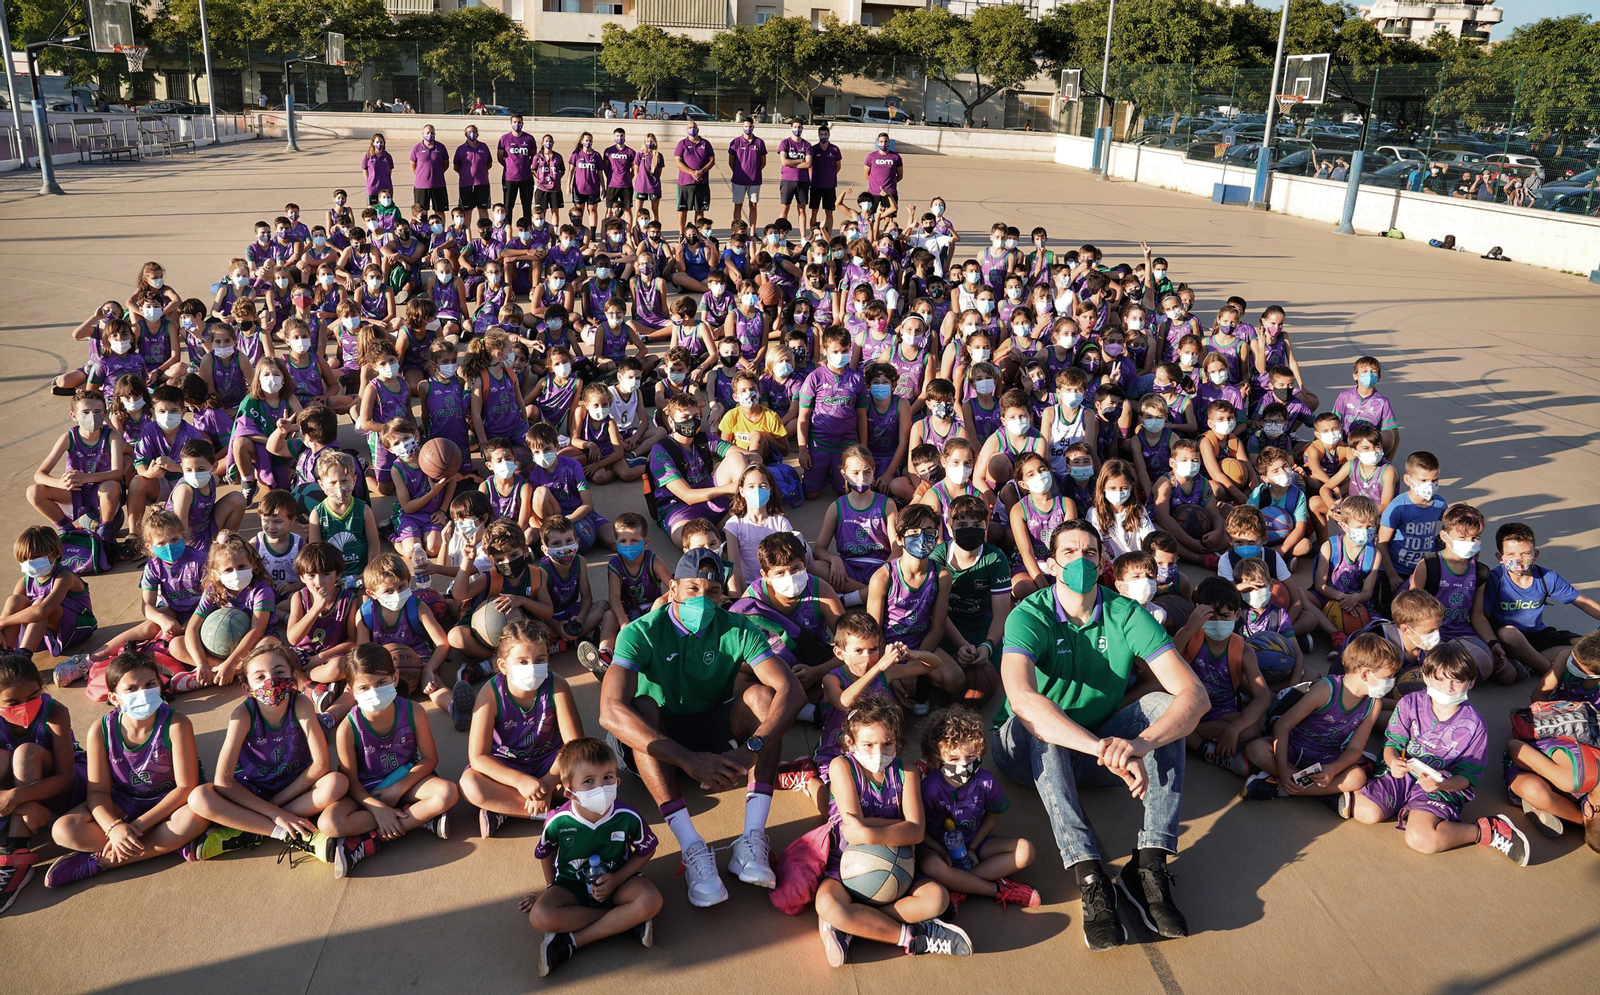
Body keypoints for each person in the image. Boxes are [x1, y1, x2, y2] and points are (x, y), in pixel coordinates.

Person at [991, 521, 1206, 950]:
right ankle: (1089, 872)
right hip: (1025, 748)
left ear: (1104, 563)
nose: (1081, 560)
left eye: (1090, 552)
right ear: (1052, 564)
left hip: (1102, 748)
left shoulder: (1126, 613)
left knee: (1165, 706)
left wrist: (1139, 745)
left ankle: (1148, 863)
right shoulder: (1029, 614)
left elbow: (1195, 696)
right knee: (1042, 720)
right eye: (1069, 552)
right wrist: (1101, 749)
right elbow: (1021, 699)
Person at [598, 549, 802, 907]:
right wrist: (689, 760)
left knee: (761, 696)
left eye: (711, 592)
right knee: (640, 706)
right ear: (673, 589)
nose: (702, 599)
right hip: (659, 740)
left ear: (723, 595)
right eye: (693, 588)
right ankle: (691, 847)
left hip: (710, 725)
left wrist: (750, 749)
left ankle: (752, 839)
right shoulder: (639, 632)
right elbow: (610, 712)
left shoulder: (737, 626)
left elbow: (792, 689)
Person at [814, 693, 973, 966]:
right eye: (868, 744)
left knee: (937, 898)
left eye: (887, 744)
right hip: (845, 866)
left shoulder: (906, 771)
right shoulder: (842, 766)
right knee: (827, 905)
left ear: (897, 743)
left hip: (900, 868)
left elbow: (915, 831)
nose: (878, 753)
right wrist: (898, 828)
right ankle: (912, 937)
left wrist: (867, 830)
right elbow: (857, 832)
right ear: (850, 743)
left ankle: (856, 923)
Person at [1337, 642, 1529, 866]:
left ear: (1471, 682)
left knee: (1421, 839)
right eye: (1440, 679)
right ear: (1426, 678)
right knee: (1367, 812)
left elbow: (1466, 778)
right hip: (1403, 772)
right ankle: (1374, 776)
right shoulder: (1409, 703)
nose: (1448, 687)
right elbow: (1393, 743)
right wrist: (1391, 761)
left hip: (1440, 784)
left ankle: (1486, 830)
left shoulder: (1475, 726)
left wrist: (1440, 786)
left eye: (1457, 681)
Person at [44, 648, 208, 890]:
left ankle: (101, 862)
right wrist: (114, 828)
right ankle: (167, 843)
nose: (143, 693)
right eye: (131, 688)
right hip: (124, 801)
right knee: (63, 830)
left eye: (150, 684)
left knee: (195, 816)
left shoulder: (176, 723)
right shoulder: (100, 730)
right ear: (113, 697)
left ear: (160, 686)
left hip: (169, 803)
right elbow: (98, 792)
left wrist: (137, 827)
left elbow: (185, 787)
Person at [525, 737, 661, 977]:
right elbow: (545, 854)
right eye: (589, 781)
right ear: (569, 791)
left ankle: (572, 941)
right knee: (539, 916)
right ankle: (625, 921)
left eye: (607, 778)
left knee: (652, 900)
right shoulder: (558, 821)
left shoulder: (628, 815)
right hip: (571, 884)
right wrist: (549, 888)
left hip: (618, 881)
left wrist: (617, 879)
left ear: (617, 780)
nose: (601, 787)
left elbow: (646, 849)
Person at [673, 124, 715, 233]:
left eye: (694, 127)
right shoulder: (682, 144)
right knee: (683, 210)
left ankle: (698, 234)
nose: (692, 129)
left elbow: (712, 160)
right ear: (686, 129)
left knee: (700, 210)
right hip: (685, 183)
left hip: (702, 182)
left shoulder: (705, 143)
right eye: (690, 127)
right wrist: (692, 172)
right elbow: (678, 162)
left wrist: (702, 172)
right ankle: (682, 234)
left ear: (698, 129)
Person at [498, 114, 537, 223]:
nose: (517, 124)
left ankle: (526, 229)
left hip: (526, 178)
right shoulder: (504, 139)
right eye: (514, 122)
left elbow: (533, 157)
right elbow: (500, 157)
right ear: (510, 123)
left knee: (526, 206)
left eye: (519, 122)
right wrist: (510, 166)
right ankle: (507, 230)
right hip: (509, 178)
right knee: (508, 207)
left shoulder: (529, 139)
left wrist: (525, 166)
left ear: (522, 123)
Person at [728, 118, 767, 229]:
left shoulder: (759, 142)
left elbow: (763, 162)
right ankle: (737, 231)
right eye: (745, 126)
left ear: (753, 127)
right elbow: (731, 161)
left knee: (753, 206)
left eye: (750, 126)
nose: (748, 128)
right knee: (738, 206)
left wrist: (754, 172)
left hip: (754, 181)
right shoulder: (735, 142)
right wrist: (738, 172)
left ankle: (752, 232)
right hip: (738, 180)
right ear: (742, 127)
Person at [453, 123, 493, 228]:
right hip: (466, 184)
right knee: (466, 211)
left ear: (478, 134)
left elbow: (489, 164)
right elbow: (456, 166)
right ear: (465, 134)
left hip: (482, 184)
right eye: (469, 132)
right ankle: (466, 236)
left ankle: (485, 232)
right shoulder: (460, 149)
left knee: (483, 209)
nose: (472, 134)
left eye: (474, 131)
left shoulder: (484, 147)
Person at [807, 123, 844, 232]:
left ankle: (829, 234)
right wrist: (812, 178)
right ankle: (813, 233)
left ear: (829, 135)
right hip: (815, 186)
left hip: (829, 186)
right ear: (818, 135)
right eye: (821, 134)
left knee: (829, 212)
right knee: (813, 211)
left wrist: (830, 176)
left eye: (825, 134)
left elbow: (838, 166)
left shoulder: (835, 149)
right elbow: (809, 166)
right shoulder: (813, 149)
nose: (823, 136)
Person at [409, 125, 450, 222]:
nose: (430, 135)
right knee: (421, 212)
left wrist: (437, 173)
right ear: (422, 134)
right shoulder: (416, 148)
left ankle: (441, 233)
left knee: (439, 211)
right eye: (427, 133)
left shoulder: (441, 147)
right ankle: (423, 234)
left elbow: (446, 164)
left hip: (438, 185)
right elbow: (413, 166)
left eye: (432, 132)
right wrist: (422, 175)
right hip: (421, 186)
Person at [863, 133, 903, 220]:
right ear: (877, 142)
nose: (883, 144)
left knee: (889, 221)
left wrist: (889, 184)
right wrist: (875, 183)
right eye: (881, 142)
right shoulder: (871, 156)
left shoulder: (896, 157)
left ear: (889, 142)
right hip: (873, 194)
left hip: (889, 194)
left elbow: (900, 175)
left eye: (885, 141)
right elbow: (866, 175)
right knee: (871, 220)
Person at [361, 134, 394, 207]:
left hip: (385, 187)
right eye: (377, 142)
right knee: (371, 209)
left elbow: (390, 170)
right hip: (372, 188)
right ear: (373, 143)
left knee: (386, 208)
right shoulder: (367, 156)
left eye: (381, 142)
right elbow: (365, 170)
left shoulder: (387, 156)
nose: (379, 144)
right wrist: (370, 180)